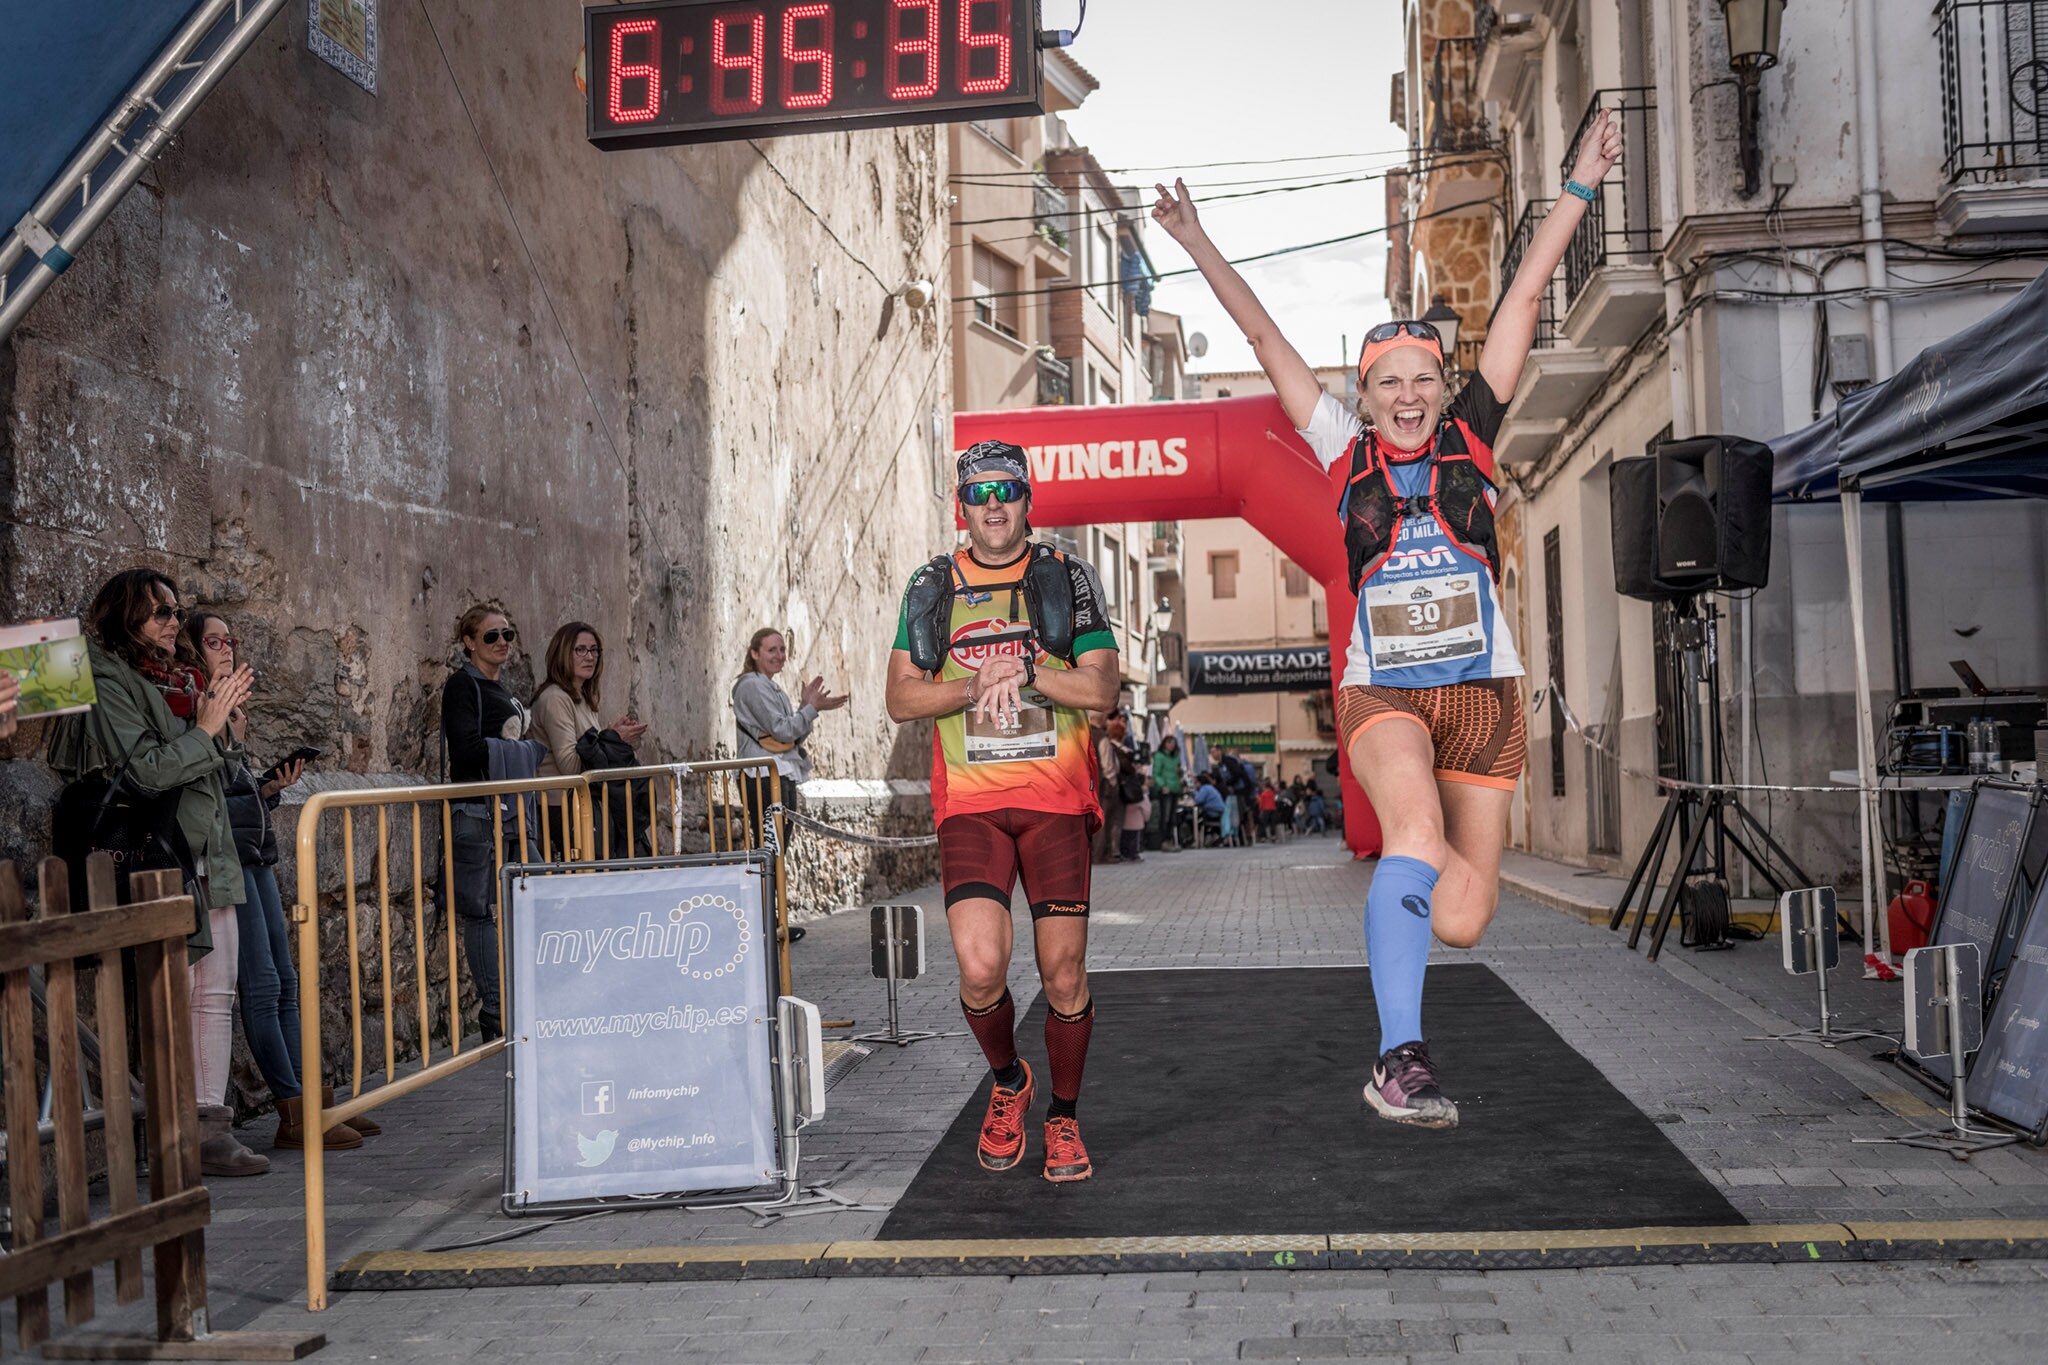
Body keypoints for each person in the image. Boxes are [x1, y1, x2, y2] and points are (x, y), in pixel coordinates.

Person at [1154, 109, 1623, 1130]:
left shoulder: (1474, 429)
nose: (1406, 396)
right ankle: (1398, 1058)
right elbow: (1264, 340)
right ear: (1359, 398)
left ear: (1439, 387)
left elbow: (1525, 294)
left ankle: (1414, 912)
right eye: (1385, 384)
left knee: (1460, 914)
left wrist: (1579, 185)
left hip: (1482, 694)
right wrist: (1196, 245)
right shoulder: (1336, 449)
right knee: (1407, 829)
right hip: (1384, 689)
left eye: (1419, 379)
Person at [886, 440, 1119, 1182]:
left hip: (1054, 801)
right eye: (979, 493)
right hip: (974, 805)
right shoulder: (933, 585)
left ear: (1027, 498)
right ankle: (1010, 1080)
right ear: (962, 504)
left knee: (1063, 974)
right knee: (982, 968)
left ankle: (1063, 1118)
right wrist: (969, 683)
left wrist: (1029, 669)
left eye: (1006, 491)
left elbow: (1101, 689)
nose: (993, 506)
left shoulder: (1066, 578)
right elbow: (900, 698)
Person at [64, 571, 262, 1175]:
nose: (174, 622)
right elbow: (146, 769)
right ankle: (173, 1133)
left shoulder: (184, 678)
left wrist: (226, 726)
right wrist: (206, 729)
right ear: (124, 620)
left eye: (176, 611)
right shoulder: (108, 677)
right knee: (170, 994)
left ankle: (211, 1126)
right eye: (158, 613)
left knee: (216, 993)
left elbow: (213, 767)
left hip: (208, 848)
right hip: (157, 852)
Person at [179, 613, 368, 1153]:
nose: (224, 649)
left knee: (285, 979)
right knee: (260, 984)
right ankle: (292, 1109)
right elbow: (200, 789)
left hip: (254, 856)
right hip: (226, 861)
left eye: (228, 641)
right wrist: (226, 743)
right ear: (193, 649)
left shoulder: (226, 709)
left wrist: (265, 787)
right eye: (212, 641)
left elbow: (231, 791)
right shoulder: (199, 710)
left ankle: (313, 1101)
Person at [440, 605, 544, 1043]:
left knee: (540, 892)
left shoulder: (503, 689)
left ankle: (531, 997)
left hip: (510, 811)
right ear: (468, 642)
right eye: (490, 636)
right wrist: (525, 752)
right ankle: (497, 1012)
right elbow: (463, 750)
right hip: (480, 812)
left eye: (508, 633)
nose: (502, 642)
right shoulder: (462, 685)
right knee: (482, 913)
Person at [733, 627, 846, 940]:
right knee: (770, 847)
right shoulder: (751, 686)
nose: (779, 655)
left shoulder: (773, 688)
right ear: (754, 653)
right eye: (771, 650)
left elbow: (793, 736)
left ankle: (776, 920)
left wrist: (808, 710)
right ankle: (764, 922)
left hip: (781, 772)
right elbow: (784, 730)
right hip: (761, 775)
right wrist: (810, 709)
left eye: (782, 650)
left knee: (778, 849)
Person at [531, 622, 647, 857]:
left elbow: (589, 747)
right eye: (580, 650)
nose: (590, 657)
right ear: (563, 653)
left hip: (585, 806)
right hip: (562, 807)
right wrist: (612, 737)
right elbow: (571, 766)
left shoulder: (583, 697)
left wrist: (612, 735)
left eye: (594, 650)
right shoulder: (555, 698)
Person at [1090, 711, 1126, 865]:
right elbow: (1107, 765)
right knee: (1104, 822)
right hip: (1102, 786)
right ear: (1102, 719)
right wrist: (1113, 783)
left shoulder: (1082, 734)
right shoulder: (1101, 737)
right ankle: (1100, 855)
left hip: (1086, 784)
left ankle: (1092, 854)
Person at [1149, 734, 1184, 850]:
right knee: (1166, 816)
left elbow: (1177, 773)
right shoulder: (1159, 756)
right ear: (1164, 744)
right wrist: (1162, 785)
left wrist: (1180, 774)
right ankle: (1164, 841)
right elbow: (1156, 773)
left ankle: (1171, 840)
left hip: (1175, 788)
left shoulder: (1176, 756)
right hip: (1165, 789)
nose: (1171, 745)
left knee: (1173, 816)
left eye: (1173, 743)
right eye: (1169, 742)